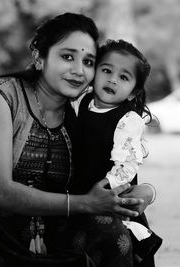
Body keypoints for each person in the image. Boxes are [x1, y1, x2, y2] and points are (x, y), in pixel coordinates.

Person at [0, 13, 155, 267]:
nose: (78, 70)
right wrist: (85, 204)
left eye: (88, 61)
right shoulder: (1, 98)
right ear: (39, 58)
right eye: (67, 57)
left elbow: (101, 175)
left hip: (50, 240)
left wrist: (148, 193)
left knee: (113, 234)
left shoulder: (75, 116)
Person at [69, 39, 161, 266]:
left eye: (124, 77)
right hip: (79, 195)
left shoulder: (128, 120)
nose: (112, 79)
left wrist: (105, 190)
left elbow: (126, 167)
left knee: (115, 249)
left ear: (133, 92)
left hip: (112, 198)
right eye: (107, 70)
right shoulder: (83, 101)